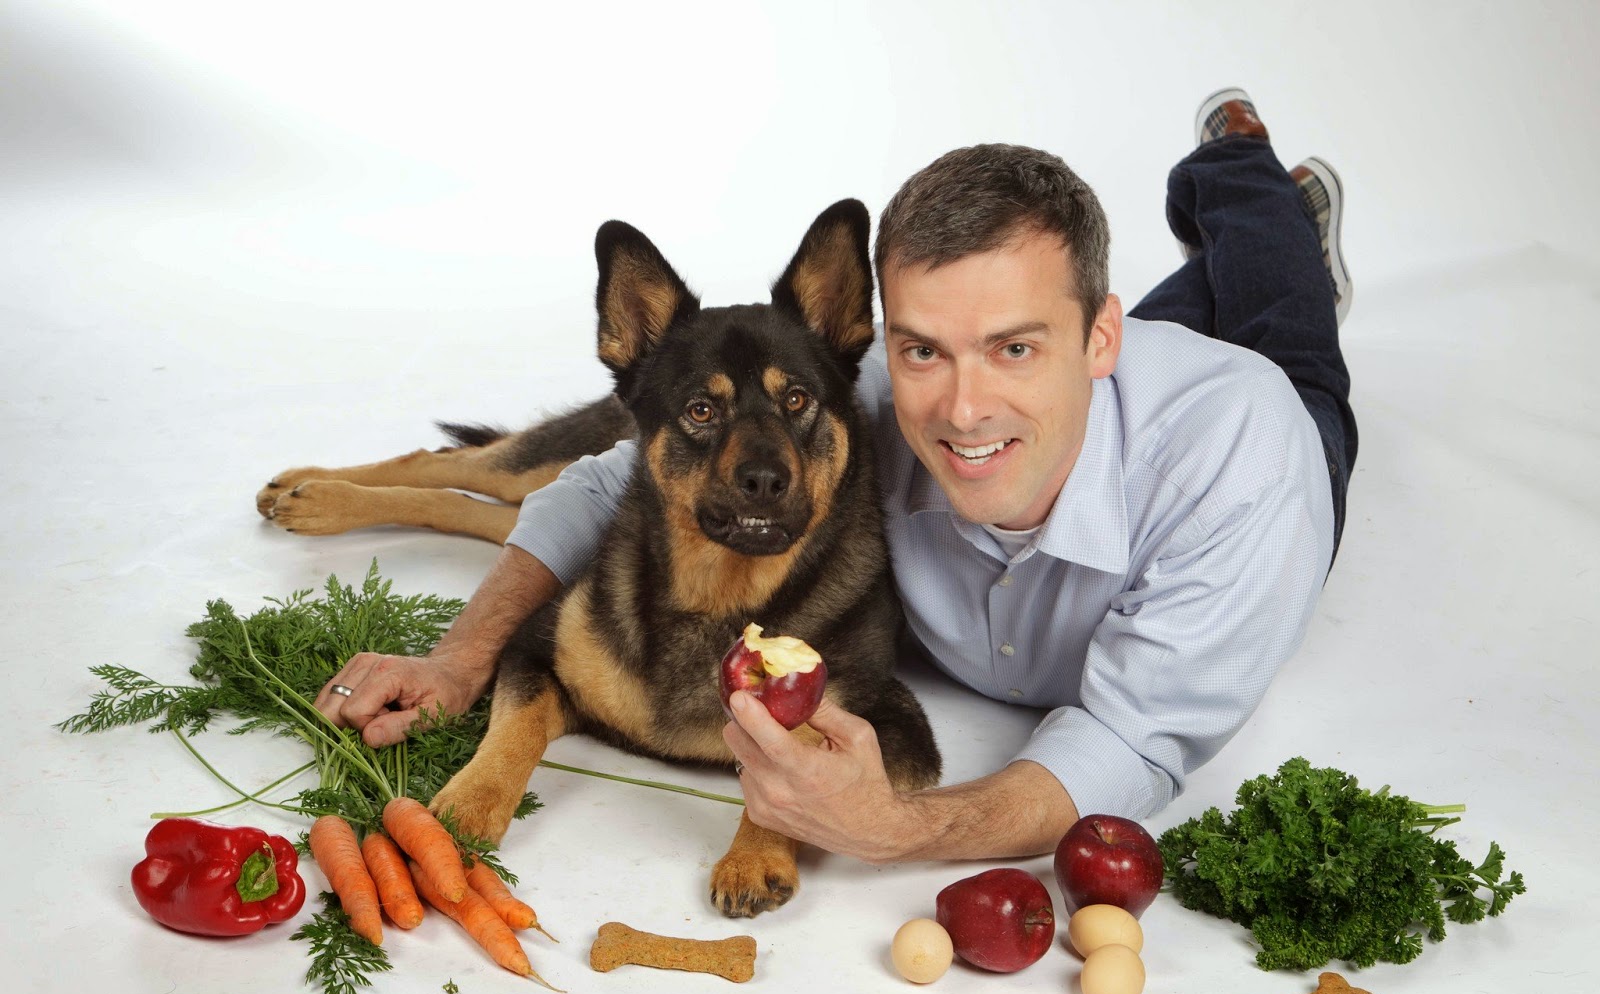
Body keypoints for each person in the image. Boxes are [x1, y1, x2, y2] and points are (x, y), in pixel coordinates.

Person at [315, 87, 1357, 864]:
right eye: (923, 350)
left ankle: (1242, 165)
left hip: (1277, 414)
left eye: (1014, 349)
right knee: (1092, 333)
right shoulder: (858, 410)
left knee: (1283, 316)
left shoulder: (1244, 471)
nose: (959, 408)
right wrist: (458, 663)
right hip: (1107, 349)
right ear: (885, 340)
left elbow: (1125, 742)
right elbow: (607, 487)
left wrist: (895, 827)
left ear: (1098, 344)